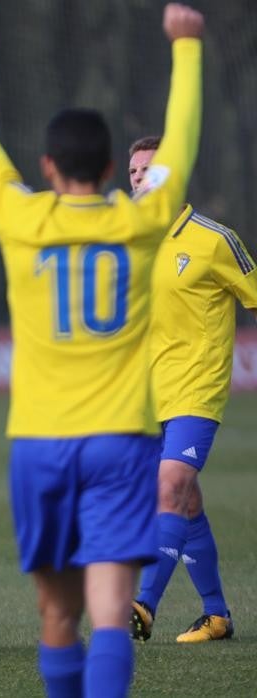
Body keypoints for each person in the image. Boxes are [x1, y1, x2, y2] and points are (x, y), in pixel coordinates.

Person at [0, 1, 202, 695]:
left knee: (57, 616)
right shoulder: (143, 219)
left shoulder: (20, 216)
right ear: (111, 166)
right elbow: (180, 146)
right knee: (113, 618)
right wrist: (187, 48)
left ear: (48, 166)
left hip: (40, 441)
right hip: (122, 442)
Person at [128, 136, 255, 644]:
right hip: (145, 395)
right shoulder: (128, 240)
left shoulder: (213, 239)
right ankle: (217, 614)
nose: (137, 178)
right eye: (133, 171)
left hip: (196, 388)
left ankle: (143, 604)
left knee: (170, 487)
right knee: (187, 502)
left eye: (148, 170)